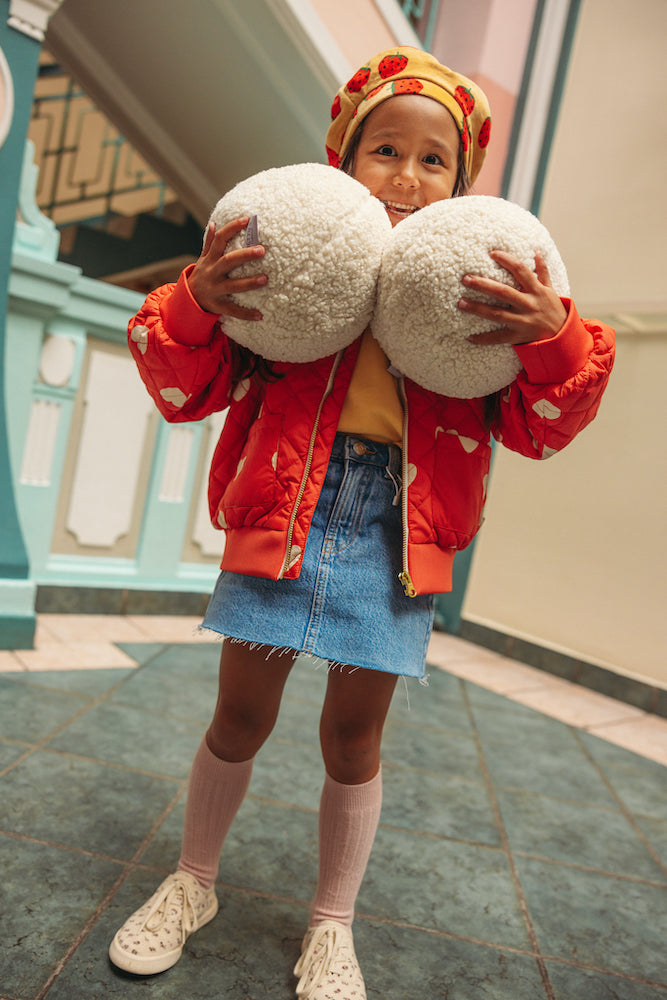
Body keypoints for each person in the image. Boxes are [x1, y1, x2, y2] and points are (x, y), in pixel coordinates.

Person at [109, 46, 614, 998]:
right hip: (283, 513)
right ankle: (193, 882)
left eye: (435, 161)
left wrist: (552, 336)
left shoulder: (480, 299)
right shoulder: (289, 281)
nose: (408, 178)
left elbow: (543, 427)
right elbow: (184, 387)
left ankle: (331, 926)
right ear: (340, 162)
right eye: (385, 149)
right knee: (238, 717)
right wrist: (197, 302)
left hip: (394, 535)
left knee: (352, 742)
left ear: (460, 186)